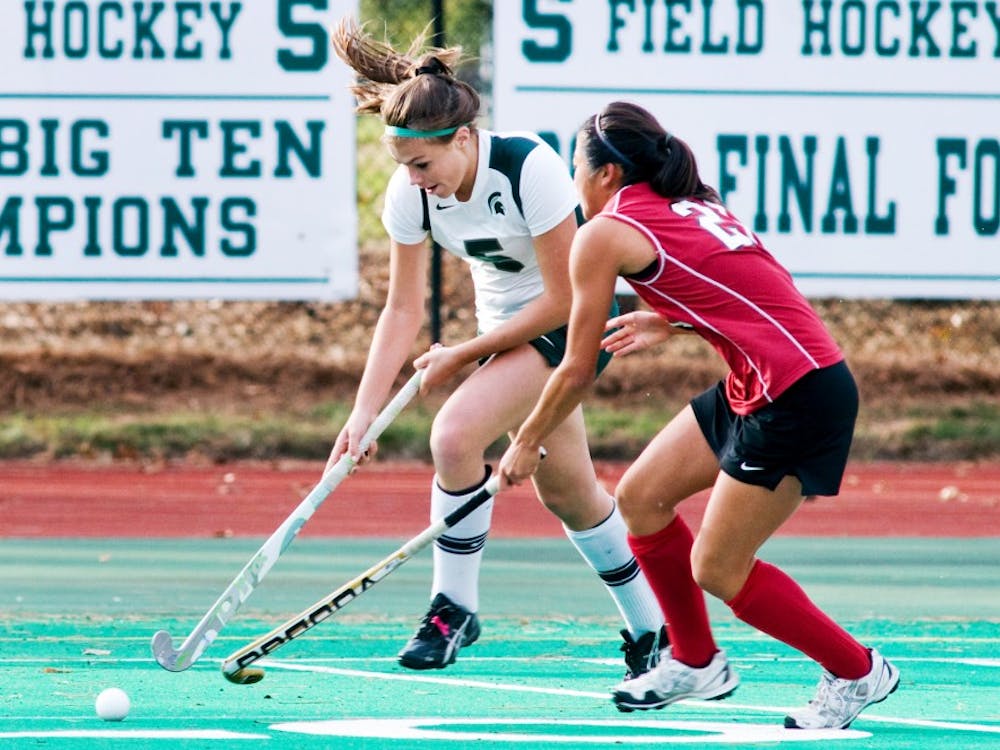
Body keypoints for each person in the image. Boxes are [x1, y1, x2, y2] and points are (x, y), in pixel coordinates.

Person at [498, 101, 900, 730]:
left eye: (577, 166)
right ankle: (695, 660)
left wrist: (527, 439)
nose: (574, 180)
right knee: (641, 498)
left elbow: (576, 366)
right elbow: (756, 290)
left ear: (606, 173)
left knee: (717, 568)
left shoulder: (604, 234)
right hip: (764, 379)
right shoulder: (687, 203)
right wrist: (673, 318)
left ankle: (857, 670)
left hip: (797, 395)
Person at [326, 20, 665, 676]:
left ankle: (452, 607)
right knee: (570, 494)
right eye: (404, 166)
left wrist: (464, 353)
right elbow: (401, 309)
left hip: (572, 318)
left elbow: (565, 298)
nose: (414, 179)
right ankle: (656, 631)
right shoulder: (410, 193)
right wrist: (363, 414)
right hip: (505, 330)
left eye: (423, 165)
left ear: (463, 138)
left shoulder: (527, 166)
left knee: (455, 435)